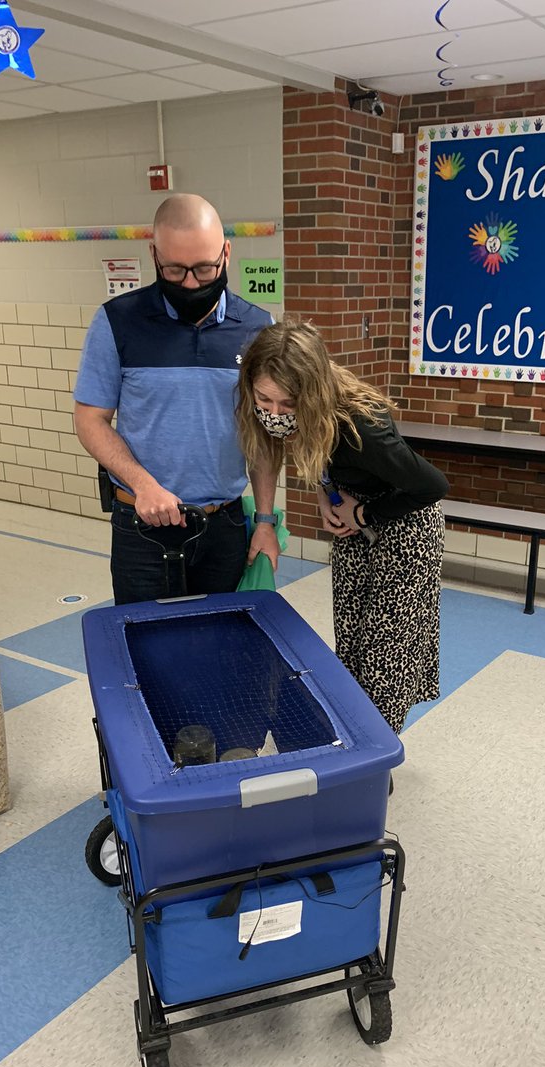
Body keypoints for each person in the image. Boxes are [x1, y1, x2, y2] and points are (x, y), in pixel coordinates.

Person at [237, 320, 449, 734]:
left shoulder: (360, 428)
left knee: (385, 652)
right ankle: (353, 733)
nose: (274, 413)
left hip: (406, 528)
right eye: (265, 399)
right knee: (352, 642)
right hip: (355, 529)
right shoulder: (297, 415)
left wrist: (362, 516)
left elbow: (432, 486)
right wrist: (326, 498)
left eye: (287, 403)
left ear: (311, 394)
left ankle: (376, 752)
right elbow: (318, 457)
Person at [74, 194, 280, 605]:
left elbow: (264, 433)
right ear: (154, 255)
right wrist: (144, 485)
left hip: (223, 526)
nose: (190, 284)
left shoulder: (258, 328)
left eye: (204, 269)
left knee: (222, 649)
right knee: (147, 654)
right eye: (174, 269)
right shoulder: (117, 321)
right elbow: (90, 421)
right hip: (142, 527)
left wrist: (265, 520)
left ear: (226, 253)